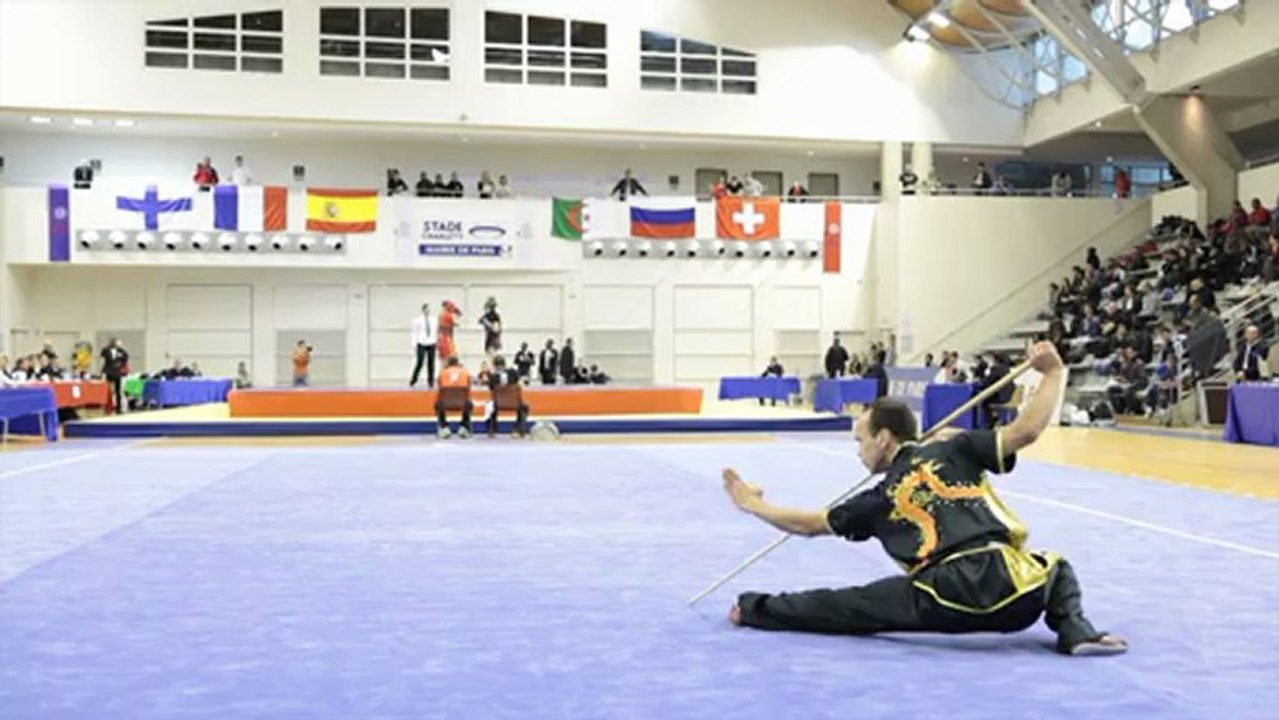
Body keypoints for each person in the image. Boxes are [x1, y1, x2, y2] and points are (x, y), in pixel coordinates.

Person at [722, 341, 1127, 656]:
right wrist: (1054, 372)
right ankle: (1075, 630)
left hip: (942, 598)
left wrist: (753, 505)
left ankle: (754, 608)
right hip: (1014, 590)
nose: (858, 450)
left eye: (860, 440)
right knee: (1056, 568)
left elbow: (809, 525)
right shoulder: (956, 447)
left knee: (849, 605)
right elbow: (1026, 432)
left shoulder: (878, 497)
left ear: (884, 438)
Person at [485, 355, 529, 438]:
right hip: (514, 403)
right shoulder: (513, 372)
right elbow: (518, 382)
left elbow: (491, 388)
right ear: (504, 364)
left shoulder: (493, 377)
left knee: (489, 405)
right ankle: (518, 430)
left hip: (498, 404)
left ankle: (492, 430)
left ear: (494, 365)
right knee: (524, 407)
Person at [435, 356, 474, 440]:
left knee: (438, 404)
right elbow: (468, 391)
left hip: (445, 404)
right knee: (469, 404)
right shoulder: (465, 373)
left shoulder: (442, 373)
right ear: (457, 363)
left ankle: (444, 427)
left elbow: (440, 391)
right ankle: (464, 427)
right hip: (462, 403)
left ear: (448, 364)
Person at [410, 302, 439, 387]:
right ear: (423, 310)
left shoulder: (434, 319)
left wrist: (436, 341)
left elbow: (436, 331)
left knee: (431, 362)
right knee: (420, 362)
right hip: (421, 342)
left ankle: (431, 381)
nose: (427, 311)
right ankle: (413, 379)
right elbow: (415, 332)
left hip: (431, 342)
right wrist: (414, 344)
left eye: (428, 309)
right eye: (425, 309)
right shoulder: (418, 320)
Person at [100, 337, 129, 413]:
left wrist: (120, 364)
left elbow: (126, 357)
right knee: (107, 390)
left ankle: (118, 408)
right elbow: (102, 354)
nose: (113, 344)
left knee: (118, 390)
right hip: (108, 371)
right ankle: (107, 407)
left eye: (114, 342)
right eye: (111, 342)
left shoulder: (121, 351)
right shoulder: (106, 350)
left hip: (117, 372)